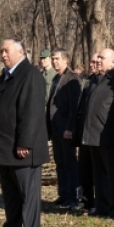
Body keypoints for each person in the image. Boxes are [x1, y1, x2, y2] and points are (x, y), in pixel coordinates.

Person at [0, 38, 50, 227]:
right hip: (5, 148)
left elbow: (31, 112)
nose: (2, 55)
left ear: (20, 52)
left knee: (28, 195)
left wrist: (25, 142)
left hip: (22, 149)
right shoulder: (7, 76)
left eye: (6, 51)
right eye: (1, 51)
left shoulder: (30, 75)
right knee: (11, 196)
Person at [80, 48, 114, 220]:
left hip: (109, 136)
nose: (98, 60)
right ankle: (102, 206)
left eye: (102, 57)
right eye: (98, 57)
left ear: (113, 62)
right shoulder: (95, 80)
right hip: (92, 135)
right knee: (99, 174)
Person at [46, 48, 81, 208]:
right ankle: (63, 193)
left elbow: (75, 107)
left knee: (69, 162)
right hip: (55, 128)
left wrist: (70, 128)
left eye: (57, 59)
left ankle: (73, 197)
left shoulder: (72, 78)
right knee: (60, 162)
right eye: (53, 59)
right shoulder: (55, 78)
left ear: (65, 59)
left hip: (66, 129)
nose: (54, 61)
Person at [72, 53, 99, 212]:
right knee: (84, 170)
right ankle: (86, 200)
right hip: (84, 132)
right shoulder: (89, 81)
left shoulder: (105, 82)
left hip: (96, 134)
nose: (93, 64)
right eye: (91, 62)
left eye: (96, 62)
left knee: (96, 170)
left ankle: (97, 201)